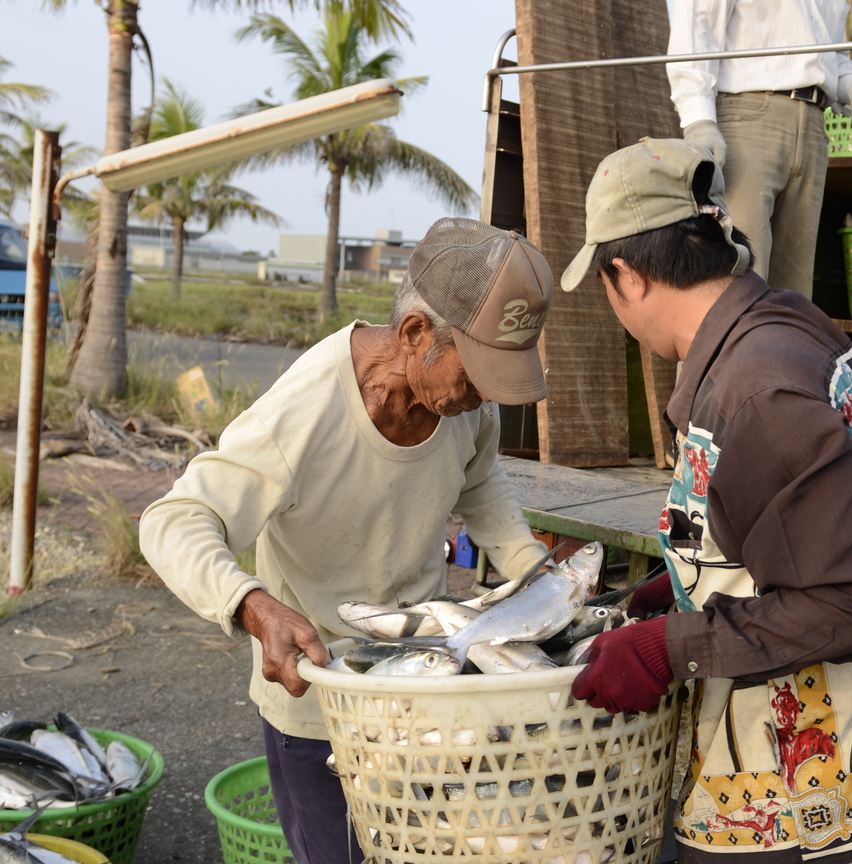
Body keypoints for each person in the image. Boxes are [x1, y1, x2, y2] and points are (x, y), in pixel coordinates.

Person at [563, 139, 852, 864]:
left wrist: (666, 648)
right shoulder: (779, 324)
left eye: (603, 286)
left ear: (626, 276)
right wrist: (682, 581)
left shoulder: (755, 389)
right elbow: (797, 516)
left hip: (816, 810)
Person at [139, 218, 556, 864]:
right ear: (418, 335)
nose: (484, 394)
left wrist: (540, 577)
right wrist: (256, 607)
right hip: (320, 706)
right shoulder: (305, 410)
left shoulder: (468, 409)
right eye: (477, 371)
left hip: (428, 689)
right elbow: (174, 520)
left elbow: (483, 485)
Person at [668, 0, 852, 300]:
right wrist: (699, 119)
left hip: (812, 125)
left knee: (794, 297)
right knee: (739, 285)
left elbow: (825, 53)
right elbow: (697, 22)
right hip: (747, 118)